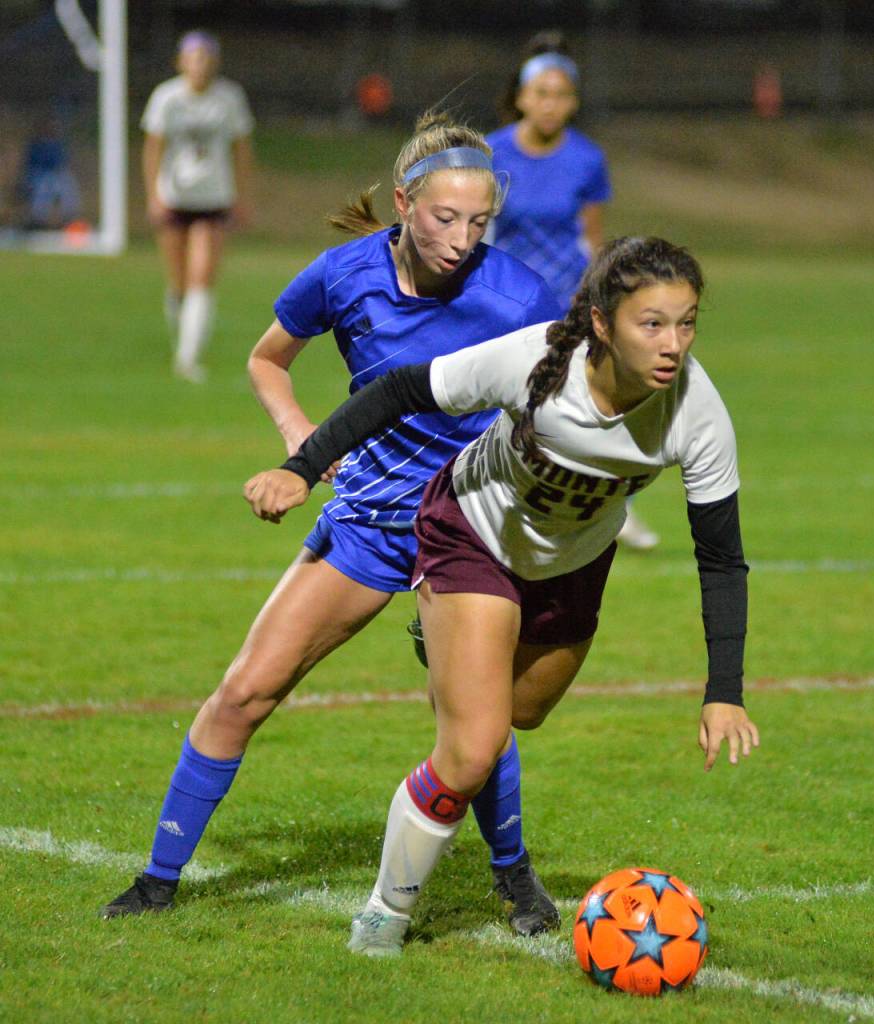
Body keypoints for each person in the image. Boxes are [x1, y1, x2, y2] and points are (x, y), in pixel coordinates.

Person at [100, 111, 565, 938]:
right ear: (402, 203)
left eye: (480, 222)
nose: (463, 239)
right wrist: (297, 448)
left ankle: (515, 878)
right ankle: (158, 880)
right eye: (445, 218)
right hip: (367, 526)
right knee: (244, 691)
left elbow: (561, 408)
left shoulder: (520, 297)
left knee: (474, 722)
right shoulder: (344, 274)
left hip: (463, 532)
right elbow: (266, 358)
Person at [245, 236, 761, 957]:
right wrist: (302, 467)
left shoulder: (697, 414)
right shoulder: (533, 361)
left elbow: (721, 559)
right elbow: (399, 390)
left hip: (573, 566)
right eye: (652, 323)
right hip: (472, 535)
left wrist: (724, 690)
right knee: (473, 748)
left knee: (524, 712)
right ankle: (382, 920)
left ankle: (451, 652)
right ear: (604, 325)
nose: (673, 343)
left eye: (687, 322)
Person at [488, 31, 658, 549]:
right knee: (498, 405)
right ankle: (491, 504)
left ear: (574, 102)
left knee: (587, 404)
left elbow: (591, 238)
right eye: (541, 92)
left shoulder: (586, 159)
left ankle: (611, 507)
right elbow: (480, 230)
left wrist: (599, 299)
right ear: (520, 96)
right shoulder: (490, 152)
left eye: (561, 94)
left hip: (566, 298)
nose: (550, 104)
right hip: (506, 299)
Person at [141, 31, 254, 382]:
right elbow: (152, 148)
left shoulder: (229, 98)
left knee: (201, 277)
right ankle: (182, 339)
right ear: (181, 62)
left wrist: (243, 195)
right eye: (194, 57)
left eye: (206, 57)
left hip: (213, 198)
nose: (200, 65)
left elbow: (241, 148)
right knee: (178, 282)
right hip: (175, 196)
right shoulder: (167, 97)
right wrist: (153, 195)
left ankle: (188, 358)